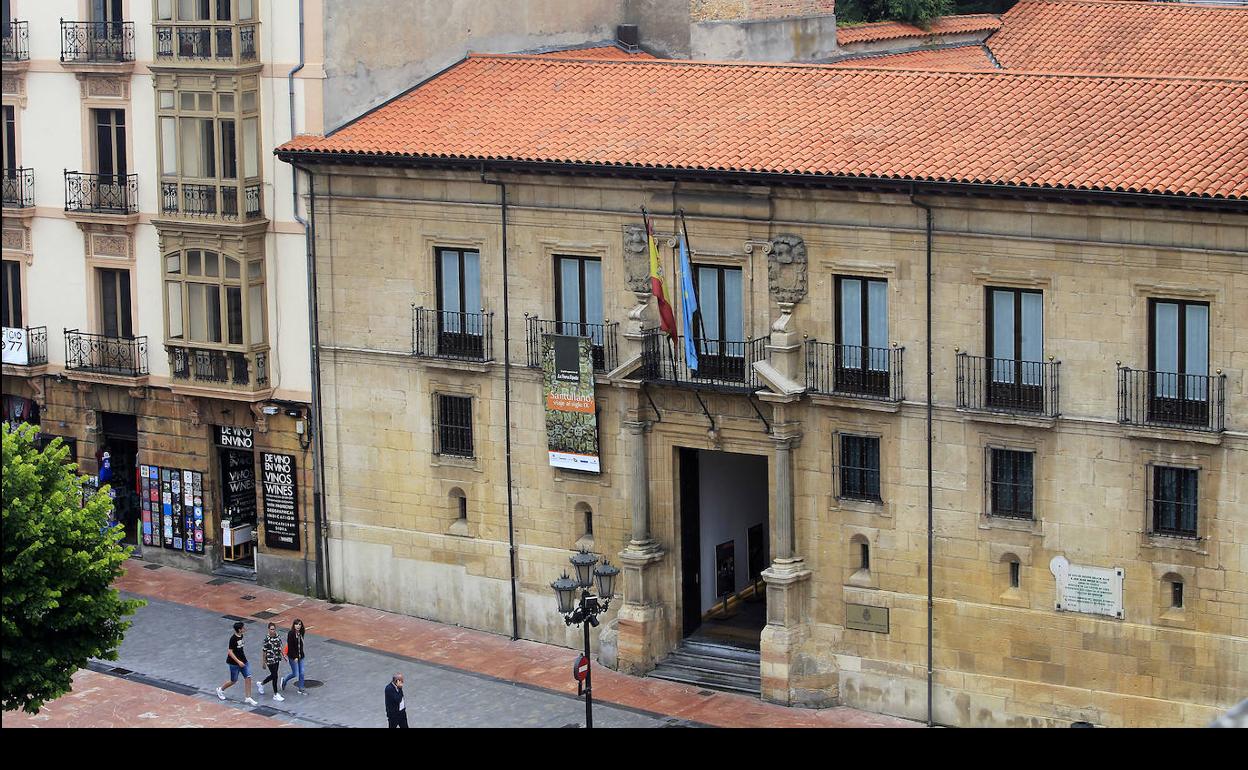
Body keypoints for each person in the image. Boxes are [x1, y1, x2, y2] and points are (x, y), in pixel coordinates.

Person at [216, 621, 258, 705]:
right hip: (234, 663)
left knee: (248, 677)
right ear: (239, 630)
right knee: (233, 680)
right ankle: (220, 690)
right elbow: (230, 652)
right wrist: (238, 662)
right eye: (243, 628)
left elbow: (239, 647)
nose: (244, 629)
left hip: (243, 661)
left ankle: (248, 697)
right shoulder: (233, 639)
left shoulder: (241, 636)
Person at [258, 622, 285, 702]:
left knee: (274, 675)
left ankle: (262, 684)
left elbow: (280, 646)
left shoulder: (277, 637)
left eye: (274, 629)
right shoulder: (266, 639)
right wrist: (263, 662)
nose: (272, 631)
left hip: (277, 658)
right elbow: (264, 651)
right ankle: (275, 693)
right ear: (268, 629)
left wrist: (283, 655)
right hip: (269, 659)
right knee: (275, 675)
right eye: (271, 629)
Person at [281, 618, 307, 694]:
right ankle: (284, 680)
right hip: (293, 657)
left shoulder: (301, 633)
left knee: (302, 672)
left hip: (301, 656)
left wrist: (300, 655)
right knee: (295, 673)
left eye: (299, 624)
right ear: (294, 625)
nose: (298, 626)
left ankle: (301, 687)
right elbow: (291, 647)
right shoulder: (291, 634)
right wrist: (295, 656)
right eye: (296, 624)